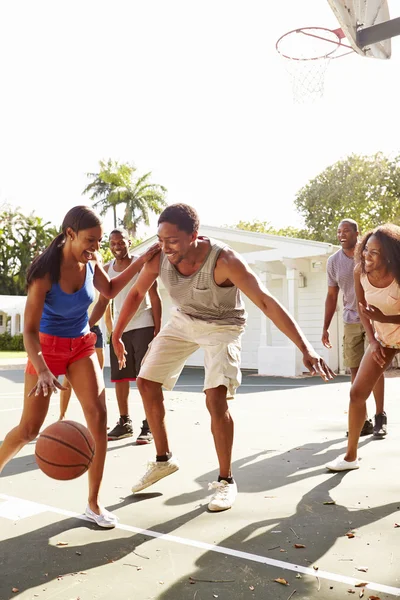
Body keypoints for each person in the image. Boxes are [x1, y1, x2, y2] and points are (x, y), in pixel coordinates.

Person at [112, 203, 335, 512]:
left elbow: (266, 302)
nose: (165, 247)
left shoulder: (225, 261)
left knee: (215, 397)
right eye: (160, 239)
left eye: (172, 240)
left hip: (223, 326)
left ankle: (226, 481)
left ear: (194, 236)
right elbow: (136, 294)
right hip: (184, 320)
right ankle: (163, 459)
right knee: (146, 382)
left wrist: (305, 348)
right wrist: (116, 332)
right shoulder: (159, 256)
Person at [0, 206, 159, 528]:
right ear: (70, 234)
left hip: (81, 345)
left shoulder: (92, 262)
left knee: (98, 418)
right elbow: (28, 331)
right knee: (29, 428)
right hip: (45, 349)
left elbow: (111, 290)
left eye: (98, 241)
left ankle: (93, 503)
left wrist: (142, 260)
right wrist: (43, 369)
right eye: (90, 240)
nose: (95, 247)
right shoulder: (45, 273)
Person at [326, 224, 400, 471]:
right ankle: (350, 457)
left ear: (388, 255)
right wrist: (374, 339)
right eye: (366, 249)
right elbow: (361, 308)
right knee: (357, 394)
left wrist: (386, 318)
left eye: (374, 252)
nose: (367, 255)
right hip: (385, 339)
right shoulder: (360, 271)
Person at [94, 228, 162, 444]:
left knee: (145, 377)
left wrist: (158, 330)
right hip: (120, 331)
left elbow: (155, 298)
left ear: (129, 242)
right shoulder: (106, 269)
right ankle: (124, 423)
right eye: (113, 243)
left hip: (143, 325)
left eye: (121, 242)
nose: (117, 247)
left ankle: (149, 424)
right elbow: (103, 302)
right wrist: (87, 326)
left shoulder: (142, 264)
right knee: (120, 378)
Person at [322, 218, 386, 437]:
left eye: (346, 231)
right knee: (355, 370)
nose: (341, 234)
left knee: (376, 369)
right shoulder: (333, 262)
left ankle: (380, 417)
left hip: (374, 318)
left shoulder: (369, 255)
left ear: (357, 233)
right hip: (350, 320)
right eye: (339, 231)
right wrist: (325, 326)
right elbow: (332, 295)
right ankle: (362, 420)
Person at [58, 265, 106, 421]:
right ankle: (62, 415)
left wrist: (114, 335)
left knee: (98, 379)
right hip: (78, 332)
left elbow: (107, 314)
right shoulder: (76, 282)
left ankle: (98, 420)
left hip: (96, 332)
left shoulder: (101, 287)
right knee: (69, 379)